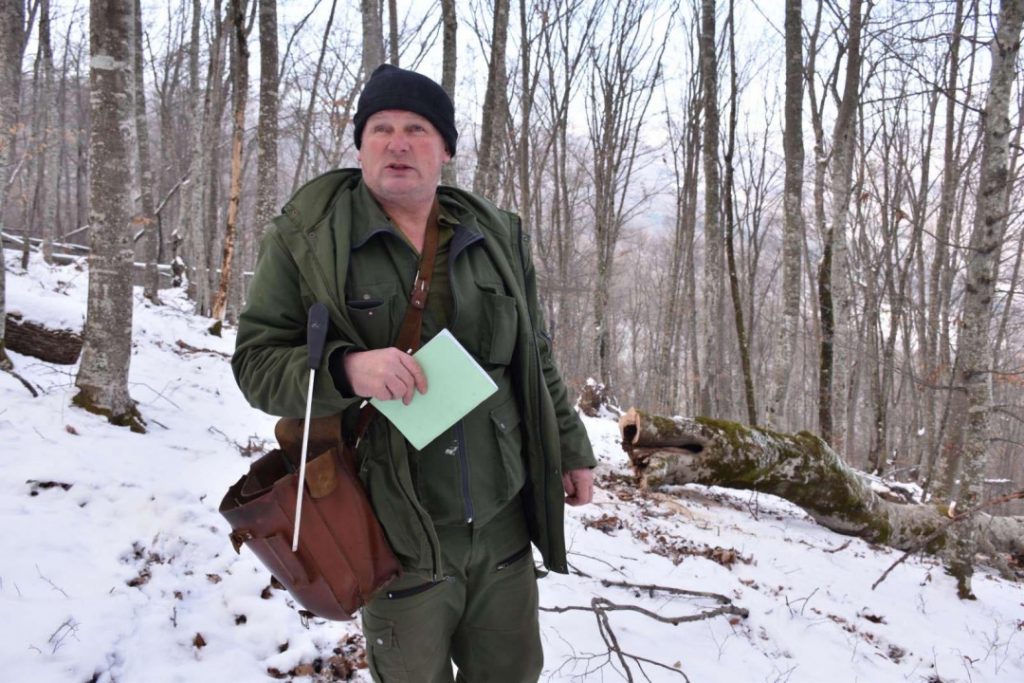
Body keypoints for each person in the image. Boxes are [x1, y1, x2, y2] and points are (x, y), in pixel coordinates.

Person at [232, 64, 596, 683]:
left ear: (445, 148)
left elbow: (534, 355)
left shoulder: (494, 237)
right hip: (395, 533)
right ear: (360, 145)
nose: (398, 143)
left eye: (417, 129)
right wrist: (347, 370)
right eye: (381, 128)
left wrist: (570, 447)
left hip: (501, 526)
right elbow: (255, 365)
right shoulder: (309, 240)